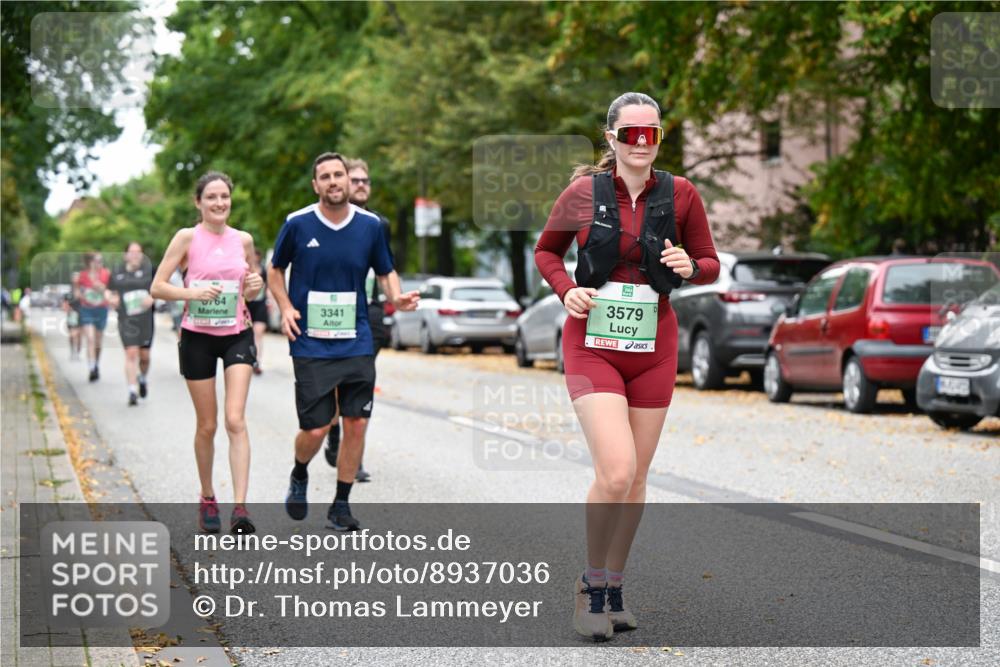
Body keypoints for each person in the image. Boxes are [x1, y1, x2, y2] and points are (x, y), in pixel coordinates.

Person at [534, 92, 720, 641]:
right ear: (611, 137)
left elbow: (709, 261)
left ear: (660, 138)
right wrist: (566, 289)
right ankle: (590, 586)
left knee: (637, 476)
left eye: (653, 133)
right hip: (592, 343)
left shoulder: (681, 194)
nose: (643, 143)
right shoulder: (582, 194)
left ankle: (615, 585)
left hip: (655, 345)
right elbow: (546, 252)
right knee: (615, 470)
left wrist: (691, 265)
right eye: (632, 133)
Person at [269, 152, 418, 532]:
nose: (334, 181)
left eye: (340, 175)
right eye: (326, 176)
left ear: (349, 182)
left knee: (356, 423)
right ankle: (300, 471)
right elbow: (274, 269)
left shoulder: (370, 226)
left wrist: (396, 296)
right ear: (315, 184)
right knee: (317, 428)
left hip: (357, 340)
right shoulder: (298, 224)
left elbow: (386, 270)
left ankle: (341, 504)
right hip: (311, 342)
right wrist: (285, 307)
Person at [150, 171, 264, 535]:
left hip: (236, 334)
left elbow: (253, 288)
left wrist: (255, 285)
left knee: (235, 420)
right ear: (199, 202)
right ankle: (208, 495)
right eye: (211, 197)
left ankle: (241, 508)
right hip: (197, 336)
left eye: (224, 197)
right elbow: (157, 286)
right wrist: (191, 295)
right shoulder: (187, 238)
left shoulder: (243, 240)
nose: (219, 203)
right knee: (208, 425)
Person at [323, 158, 393, 481]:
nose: (362, 184)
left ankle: (355, 457)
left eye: (367, 180)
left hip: (370, 313)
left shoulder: (379, 225)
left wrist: (395, 299)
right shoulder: (327, 221)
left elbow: (386, 269)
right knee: (337, 382)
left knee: (360, 380)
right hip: (335, 311)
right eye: (356, 180)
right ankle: (334, 431)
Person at [109, 242, 156, 406]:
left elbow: (160, 287)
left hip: (145, 320)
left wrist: (152, 297)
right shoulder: (117, 272)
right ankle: (132, 390)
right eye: (132, 252)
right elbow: (110, 290)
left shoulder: (150, 270)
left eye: (138, 252)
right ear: (126, 255)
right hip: (126, 319)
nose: (135, 255)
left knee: (145, 357)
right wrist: (112, 297)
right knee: (131, 354)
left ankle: (142, 378)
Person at [76, 254, 111, 381]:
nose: (97, 263)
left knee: (98, 341)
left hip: (101, 309)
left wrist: (101, 288)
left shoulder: (106, 274)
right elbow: (77, 291)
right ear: (89, 262)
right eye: (94, 261)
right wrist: (80, 294)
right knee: (90, 338)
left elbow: (110, 291)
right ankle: (91, 368)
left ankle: (96, 364)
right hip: (87, 309)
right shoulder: (82, 275)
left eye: (100, 261)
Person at [247, 249, 269, 375]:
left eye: (257, 256)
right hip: (247, 304)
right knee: (249, 335)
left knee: (258, 333)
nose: (255, 258)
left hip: (260, 304)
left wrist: (269, 302)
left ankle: (257, 362)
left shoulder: (263, 270)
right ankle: (248, 359)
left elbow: (268, 288)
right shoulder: (245, 270)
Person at [62, 284, 83, 360]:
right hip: (72, 316)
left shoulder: (83, 293)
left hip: (81, 316)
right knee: (72, 335)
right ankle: (72, 351)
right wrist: (68, 309)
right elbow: (64, 305)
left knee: (79, 336)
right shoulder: (68, 295)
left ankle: (77, 353)